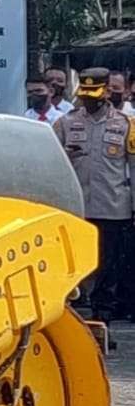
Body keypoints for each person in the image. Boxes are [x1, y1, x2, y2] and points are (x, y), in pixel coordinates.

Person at [53, 68, 135, 321]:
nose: (88, 101)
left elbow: (133, 167)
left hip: (112, 207)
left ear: (107, 92)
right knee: (77, 265)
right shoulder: (66, 123)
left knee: (108, 267)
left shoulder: (125, 125)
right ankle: (79, 315)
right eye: (85, 95)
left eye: (94, 95)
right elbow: (55, 165)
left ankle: (103, 319)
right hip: (76, 207)